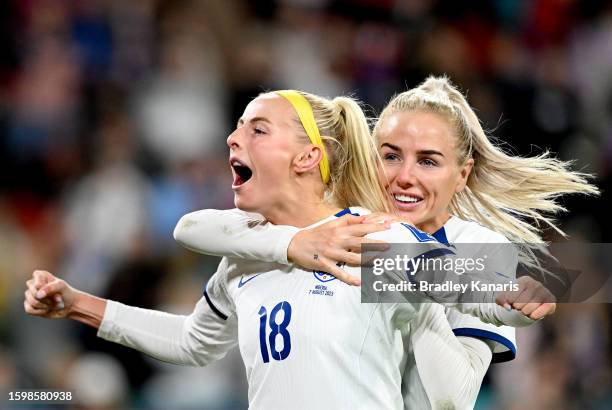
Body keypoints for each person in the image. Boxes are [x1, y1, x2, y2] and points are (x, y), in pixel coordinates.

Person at [25, 89, 546, 410]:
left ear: (306, 158)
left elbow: (470, 287)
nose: (233, 138)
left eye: (257, 129)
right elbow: (192, 340)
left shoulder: (367, 241)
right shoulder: (247, 257)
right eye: (237, 126)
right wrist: (77, 305)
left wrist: (515, 294)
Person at [172, 77, 597, 407]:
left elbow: (453, 399)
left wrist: (413, 289)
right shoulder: (346, 222)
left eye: (428, 161)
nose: (404, 176)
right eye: (390, 156)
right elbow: (197, 228)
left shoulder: (478, 246)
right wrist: (291, 243)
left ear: (462, 174)